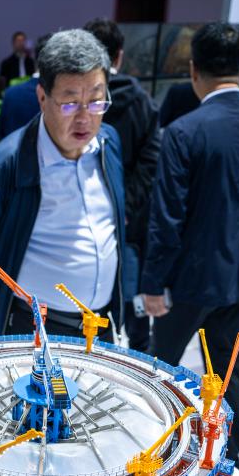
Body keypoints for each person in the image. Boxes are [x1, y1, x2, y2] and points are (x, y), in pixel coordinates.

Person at [139, 23, 239, 466]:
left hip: (188, 279)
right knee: (225, 372)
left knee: (160, 371)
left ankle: (155, 453)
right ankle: (226, 457)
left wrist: (153, 283)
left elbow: (167, 218)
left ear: (192, 70)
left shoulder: (184, 131)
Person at [0, 29, 125, 339]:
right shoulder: (4, 167)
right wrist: (14, 274)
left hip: (99, 325)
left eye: (96, 102)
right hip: (33, 325)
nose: (85, 118)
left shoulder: (108, 143)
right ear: (42, 97)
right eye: (70, 104)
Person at [83, 18, 161, 353]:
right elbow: (151, 163)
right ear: (119, 56)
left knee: (88, 310)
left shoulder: (74, 99)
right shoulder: (142, 101)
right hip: (130, 223)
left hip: (86, 216)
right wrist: (125, 206)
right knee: (134, 311)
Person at [0, 34, 50, 141]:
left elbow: (1, 134)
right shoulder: (60, 96)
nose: (21, 44)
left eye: (23, 41)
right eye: (18, 41)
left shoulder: (10, 94)